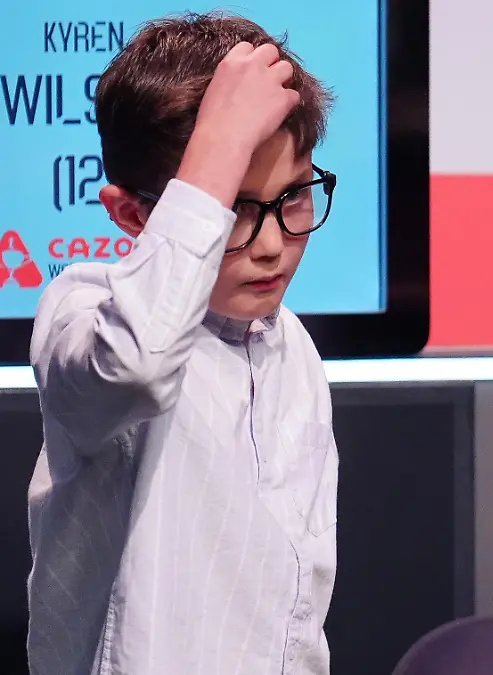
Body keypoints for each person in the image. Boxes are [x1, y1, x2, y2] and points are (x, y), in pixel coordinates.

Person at [27, 13, 338, 675]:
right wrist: (216, 150)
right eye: (233, 208)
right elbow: (138, 365)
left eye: (294, 198)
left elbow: (299, 602)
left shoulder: (293, 348)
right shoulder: (84, 311)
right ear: (134, 214)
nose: (273, 243)